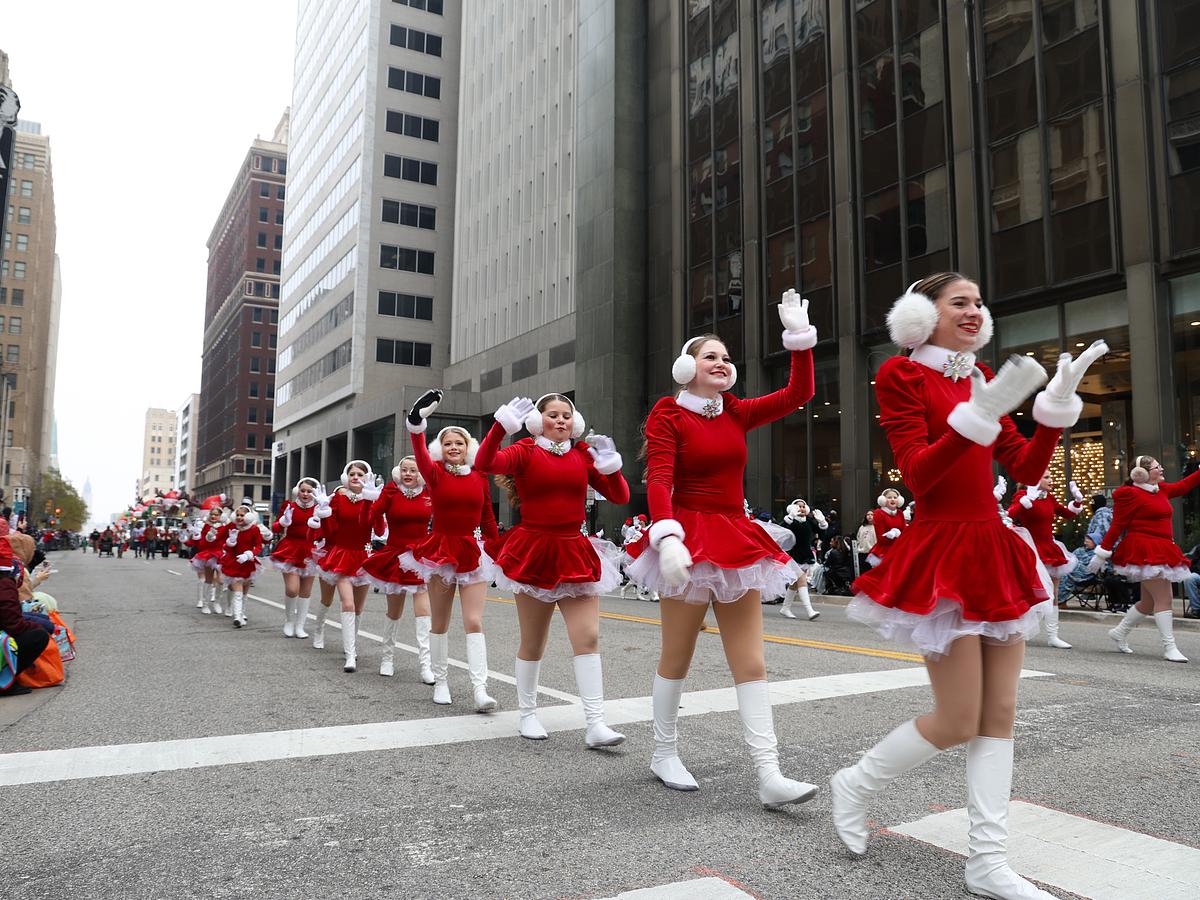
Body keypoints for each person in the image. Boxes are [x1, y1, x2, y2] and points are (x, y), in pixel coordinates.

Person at [831, 272, 1105, 900]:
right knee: (958, 718)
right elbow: (919, 476)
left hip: (994, 547)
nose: (976, 311)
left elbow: (1026, 467)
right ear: (923, 317)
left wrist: (1055, 408)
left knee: (1000, 713)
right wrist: (977, 415)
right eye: (961, 302)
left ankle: (987, 860)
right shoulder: (905, 376)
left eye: (981, 302)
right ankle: (856, 785)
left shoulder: (976, 377)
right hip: (942, 550)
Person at [627, 288, 820, 807]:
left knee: (750, 660)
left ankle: (769, 773)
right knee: (677, 654)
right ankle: (663, 752)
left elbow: (798, 395)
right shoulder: (668, 414)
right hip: (687, 537)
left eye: (726, 358)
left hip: (735, 536)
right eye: (710, 355)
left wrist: (799, 342)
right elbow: (660, 477)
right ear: (685, 367)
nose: (722, 362)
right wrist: (666, 533)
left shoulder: (736, 412)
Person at [476, 392, 631, 746]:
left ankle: (595, 724)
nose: (560, 421)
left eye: (566, 416)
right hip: (534, 550)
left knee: (588, 637)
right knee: (534, 641)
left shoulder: (581, 455)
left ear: (573, 424)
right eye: (553, 415)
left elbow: (620, 496)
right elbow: (486, 463)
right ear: (537, 421)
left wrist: (611, 464)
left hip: (574, 550)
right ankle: (527, 714)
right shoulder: (525, 451)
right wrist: (500, 427)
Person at [401, 390, 502, 711]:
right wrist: (417, 425)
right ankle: (441, 682)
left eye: (459, 442)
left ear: (468, 447)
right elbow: (419, 454)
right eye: (447, 443)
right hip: (441, 551)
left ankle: (479, 689)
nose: (454, 447)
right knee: (440, 622)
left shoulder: (480, 476)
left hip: (472, 552)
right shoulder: (433, 473)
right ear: (440, 450)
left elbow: (488, 516)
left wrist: (498, 553)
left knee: (474, 621)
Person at [1090, 456, 1200, 662]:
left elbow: (1184, 485)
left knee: (1149, 602)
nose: (1161, 468)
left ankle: (1120, 632)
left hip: (1163, 548)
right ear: (1141, 473)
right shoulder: (1130, 494)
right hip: (1145, 550)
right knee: (1164, 598)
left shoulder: (1161, 489)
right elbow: (1117, 525)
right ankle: (1169, 647)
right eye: (1157, 467)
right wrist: (1101, 553)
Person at [361, 457, 436, 682]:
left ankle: (426, 665)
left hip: (420, 558)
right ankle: (387, 658)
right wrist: (368, 499)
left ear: (419, 473)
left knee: (423, 612)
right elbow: (372, 520)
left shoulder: (429, 492)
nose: (408, 474)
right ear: (398, 472)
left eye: (413, 470)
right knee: (394, 612)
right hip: (394, 556)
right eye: (404, 470)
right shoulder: (391, 491)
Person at [308, 461, 382, 672]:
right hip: (341, 554)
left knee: (358, 608)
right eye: (352, 473)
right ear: (345, 477)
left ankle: (352, 646)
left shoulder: (372, 498)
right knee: (346, 603)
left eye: (360, 474)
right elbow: (330, 533)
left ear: (367, 478)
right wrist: (323, 511)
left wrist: (371, 501)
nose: (356, 477)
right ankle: (348, 654)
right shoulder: (338, 498)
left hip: (364, 555)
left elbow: (377, 527)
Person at [1006, 473, 1084, 649]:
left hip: (1050, 548)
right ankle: (1019, 628)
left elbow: (1067, 514)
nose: (1051, 480)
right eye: (1047, 477)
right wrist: (1026, 501)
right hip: (1030, 550)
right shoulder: (1023, 495)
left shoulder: (1049, 497)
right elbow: (1010, 514)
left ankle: (1053, 635)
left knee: (1054, 592)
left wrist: (1078, 501)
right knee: (1029, 591)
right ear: (1035, 479)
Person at [0, 523, 51, 697]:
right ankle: (6, 681)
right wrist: (35, 627)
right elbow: (13, 623)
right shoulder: (5, 582)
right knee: (40, 633)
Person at [269, 478, 321, 638]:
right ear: (297, 491)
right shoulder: (289, 506)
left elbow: (325, 530)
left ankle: (300, 626)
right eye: (302, 490)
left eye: (309, 491)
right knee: (293, 589)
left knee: (306, 591)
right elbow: (275, 526)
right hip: (290, 548)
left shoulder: (319, 508)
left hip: (311, 551)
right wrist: (284, 522)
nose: (305, 494)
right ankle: (289, 621)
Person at [780, 498, 825, 620]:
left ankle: (785, 608)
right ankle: (809, 610)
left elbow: (821, 534)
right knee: (802, 580)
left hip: (805, 555)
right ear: (792, 508)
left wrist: (822, 522)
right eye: (798, 506)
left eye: (803, 506)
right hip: (793, 555)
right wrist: (789, 518)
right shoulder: (791, 521)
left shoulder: (809, 521)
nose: (801, 508)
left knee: (795, 584)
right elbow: (781, 530)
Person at [219, 505, 263, 628]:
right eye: (237, 515)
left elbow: (259, 546)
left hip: (248, 562)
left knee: (245, 591)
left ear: (248, 517)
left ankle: (242, 613)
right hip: (234, 562)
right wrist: (230, 542)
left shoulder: (254, 529)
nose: (239, 517)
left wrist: (250, 554)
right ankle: (237, 617)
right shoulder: (232, 527)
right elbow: (225, 545)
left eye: (242, 515)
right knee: (237, 589)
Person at [867, 488, 908, 568]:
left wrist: (899, 534)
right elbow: (881, 538)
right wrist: (893, 534)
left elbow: (904, 533)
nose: (892, 499)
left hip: (899, 549)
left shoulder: (900, 513)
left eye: (895, 497)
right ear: (883, 500)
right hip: (884, 551)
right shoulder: (879, 513)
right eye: (889, 497)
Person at [1057, 532, 1101, 603]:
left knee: (1067, 571)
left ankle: (1060, 600)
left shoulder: (1098, 554)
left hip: (1087, 575)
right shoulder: (1079, 550)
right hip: (1072, 572)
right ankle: (1059, 600)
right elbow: (1071, 559)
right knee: (1062, 575)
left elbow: (1094, 569)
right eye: (1085, 542)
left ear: (1095, 542)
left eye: (1088, 542)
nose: (1085, 544)